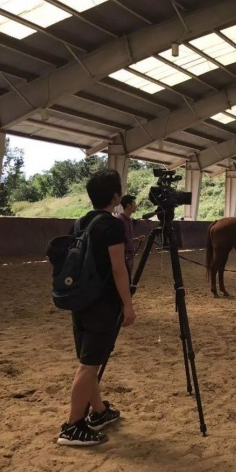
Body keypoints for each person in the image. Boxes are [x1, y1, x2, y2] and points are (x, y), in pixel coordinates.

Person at [57, 169, 137, 447]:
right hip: (102, 303)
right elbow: (118, 269)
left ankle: (99, 412)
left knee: (89, 361)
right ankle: (72, 425)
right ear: (115, 196)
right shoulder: (112, 225)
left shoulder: (80, 222)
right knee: (89, 365)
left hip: (80, 299)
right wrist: (128, 304)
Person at [118, 194, 145, 273]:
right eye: (134, 203)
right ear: (128, 206)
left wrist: (137, 239)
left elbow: (126, 238)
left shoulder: (128, 220)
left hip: (130, 255)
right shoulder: (120, 220)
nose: (136, 205)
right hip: (124, 256)